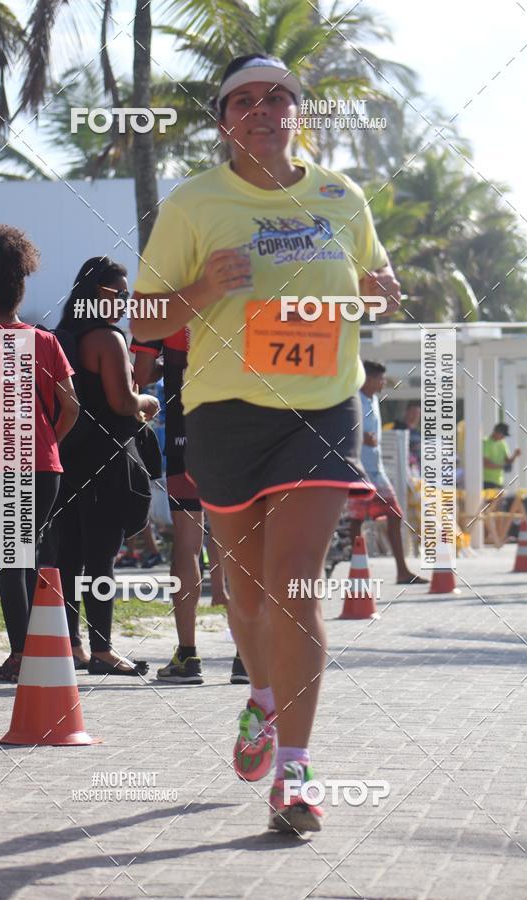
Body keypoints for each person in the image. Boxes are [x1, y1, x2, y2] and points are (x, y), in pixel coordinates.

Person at [130, 54, 399, 833]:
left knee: (295, 583)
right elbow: (144, 320)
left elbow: (373, 282)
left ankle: (297, 774)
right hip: (225, 413)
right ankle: (260, 697)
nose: (262, 109)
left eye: (277, 97)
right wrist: (204, 291)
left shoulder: (341, 196)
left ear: (297, 115)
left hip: (321, 407)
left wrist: (381, 290)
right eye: (244, 99)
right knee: (242, 592)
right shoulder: (194, 202)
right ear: (225, 120)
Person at [0, 225, 78, 682]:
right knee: (30, 553)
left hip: (1, 466)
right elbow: (72, 407)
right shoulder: (45, 342)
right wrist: (49, 443)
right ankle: (36, 650)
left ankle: (22, 654)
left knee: (13, 558)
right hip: (44, 466)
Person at [51, 257, 159, 675]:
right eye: (121, 293)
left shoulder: (62, 337)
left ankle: (72, 644)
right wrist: (147, 401)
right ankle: (102, 650)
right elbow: (122, 403)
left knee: (68, 557)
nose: (126, 301)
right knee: (101, 560)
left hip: (66, 460)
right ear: (99, 294)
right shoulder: (107, 339)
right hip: (107, 462)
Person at [131, 329, 246, 685]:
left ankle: (187, 655)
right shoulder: (245, 292)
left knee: (186, 546)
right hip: (240, 434)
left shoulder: (168, 309)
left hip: (187, 436)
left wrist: (168, 366)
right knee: (243, 543)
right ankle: (246, 657)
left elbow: (139, 376)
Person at [349, 361, 427, 585]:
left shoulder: (372, 399)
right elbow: (341, 429)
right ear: (367, 379)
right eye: (380, 379)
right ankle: (358, 571)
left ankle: (401, 571)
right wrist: (361, 437)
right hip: (358, 471)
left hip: (375, 470)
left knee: (394, 515)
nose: (383, 383)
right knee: (355, 520)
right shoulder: (352, 398)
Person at [483, 422, 520, 490]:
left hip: (499, 481)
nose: (504, 437)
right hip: (486, 481)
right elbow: (485, 463)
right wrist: (502, 466)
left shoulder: (503, 443)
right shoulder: (485, 442)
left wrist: (515, 455)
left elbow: (508, 461)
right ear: (497, 432)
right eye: (503, 435)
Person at [393, 400, 422, 474]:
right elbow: (396, 448)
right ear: (406, 412)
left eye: (417, 413)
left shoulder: (418, 433)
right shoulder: (398, 428)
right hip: (406, 468)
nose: (415, 416)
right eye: (413, 413)